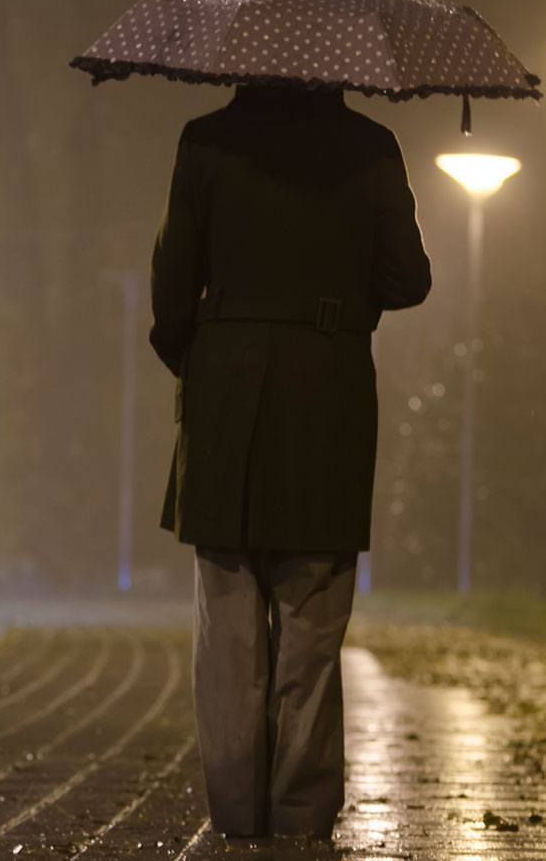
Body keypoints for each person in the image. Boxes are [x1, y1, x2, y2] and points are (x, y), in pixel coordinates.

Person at [148, 83, 432, 839]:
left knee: (230, 628)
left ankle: (238, 818)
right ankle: (303, 819)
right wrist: (333, 303)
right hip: (328, 398)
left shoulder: (205, 141)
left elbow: (172, 286)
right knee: (312, 620)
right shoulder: (370, 146)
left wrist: (206, 353)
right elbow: (411, 280)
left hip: (226, 400)